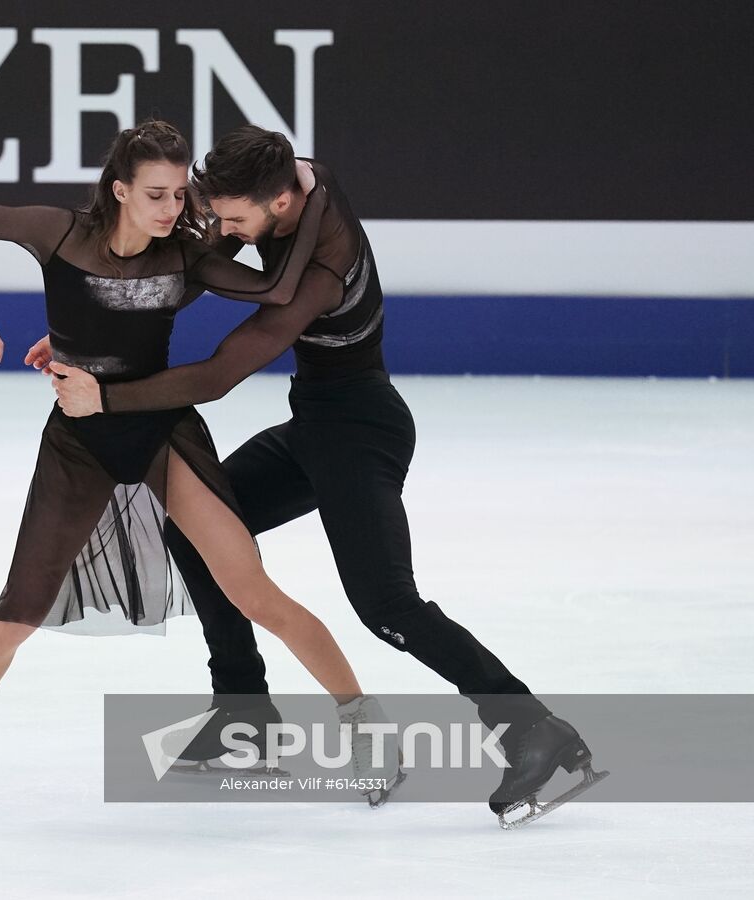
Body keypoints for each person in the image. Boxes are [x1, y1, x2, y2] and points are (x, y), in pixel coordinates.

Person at [47, 125, 604, 827]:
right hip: (315, 423)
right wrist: (98, 328)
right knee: (194, 532)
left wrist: (108, 395)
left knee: (388, 606)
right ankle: (242, 714)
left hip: (359, 428)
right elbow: (196, 264)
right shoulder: (292, 182)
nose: (221, 229)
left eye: (234, 218)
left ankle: (531, 727)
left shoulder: (321, 269)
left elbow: (220, 373)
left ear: (280, 204)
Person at [0, 121, 398, 805]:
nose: (175, 211)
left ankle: (365, 729)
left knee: (252, 591)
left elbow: (280, 291)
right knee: (19, 610)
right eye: (158, 195)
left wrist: (317, 197)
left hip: (164, 432)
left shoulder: (189, 257)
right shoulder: (58, 233)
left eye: (180, 196)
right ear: (120, 191)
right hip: (80, 439)